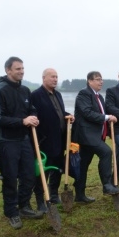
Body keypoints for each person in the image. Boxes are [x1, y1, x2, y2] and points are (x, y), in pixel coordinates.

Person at [0, 56, 43, 230]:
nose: (21, 71)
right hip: (7, 141)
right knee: (10, 178)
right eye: (17, 68)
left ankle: (24, 206)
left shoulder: (25, 90)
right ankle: (11, 212)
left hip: (25, 140)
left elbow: (31, 109)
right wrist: (22, 121)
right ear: (8, 70)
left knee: (29, 175)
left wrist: (33, 116)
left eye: (22, 68)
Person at [71, 71, 119, 203]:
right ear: (89, 81)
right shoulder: (84, 94)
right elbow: (87, 112)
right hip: (85, 135)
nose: (101, 82)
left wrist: (109, 117)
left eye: (101, 79)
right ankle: (106, 185)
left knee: (83, 165)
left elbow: (101, 112)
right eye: (98, 79)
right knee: (106, 152)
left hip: (95, 136)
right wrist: (106, 117)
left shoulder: (99, 96)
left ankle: (80, 195)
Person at [30, 68, 74, 211]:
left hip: (60, 139)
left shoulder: (58, 94)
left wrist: (68, 115)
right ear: (44, 78)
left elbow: (58, 112)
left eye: (56, 77)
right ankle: (40, 201)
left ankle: (54, 194)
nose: (55, 79)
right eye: (52, 77)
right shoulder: (36, 95)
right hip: (45, 140)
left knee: (58, 169)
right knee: (44, 172)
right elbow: (35, 115)